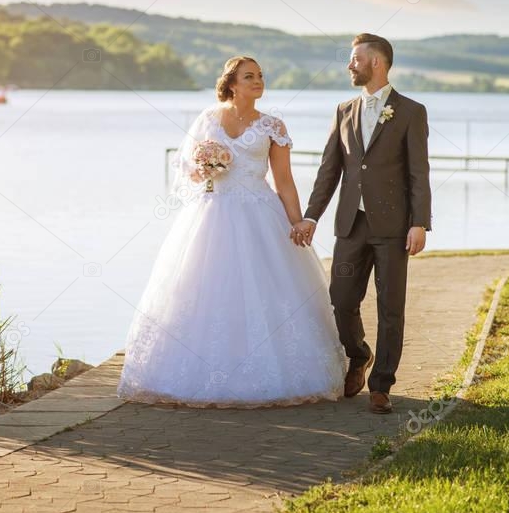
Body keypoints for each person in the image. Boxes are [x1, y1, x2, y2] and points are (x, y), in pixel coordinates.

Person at [116, 56, 347, 408]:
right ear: (232, 83)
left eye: (260, 76)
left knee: (266, 290)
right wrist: (204, 168)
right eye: (249, 76)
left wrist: (298, 221)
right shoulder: (209, 118)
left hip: (259, 213)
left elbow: (283, 181)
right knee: (206, 289)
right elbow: (188, 169)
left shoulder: (273, 126)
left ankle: (270, 375)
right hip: (211, 214)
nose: (257, 81)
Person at [290, 33, 432, 415]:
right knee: (341, 300)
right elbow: (329, 170)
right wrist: (311, 215)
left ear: (377, 63)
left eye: (356, 59)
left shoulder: (411, 111)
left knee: (391, 306)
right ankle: (359, 354)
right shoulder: (343, 110)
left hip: (393, 227)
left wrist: (420, 222)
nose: (349, 65)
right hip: (350, 225)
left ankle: (381, 385)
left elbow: (419, 172)